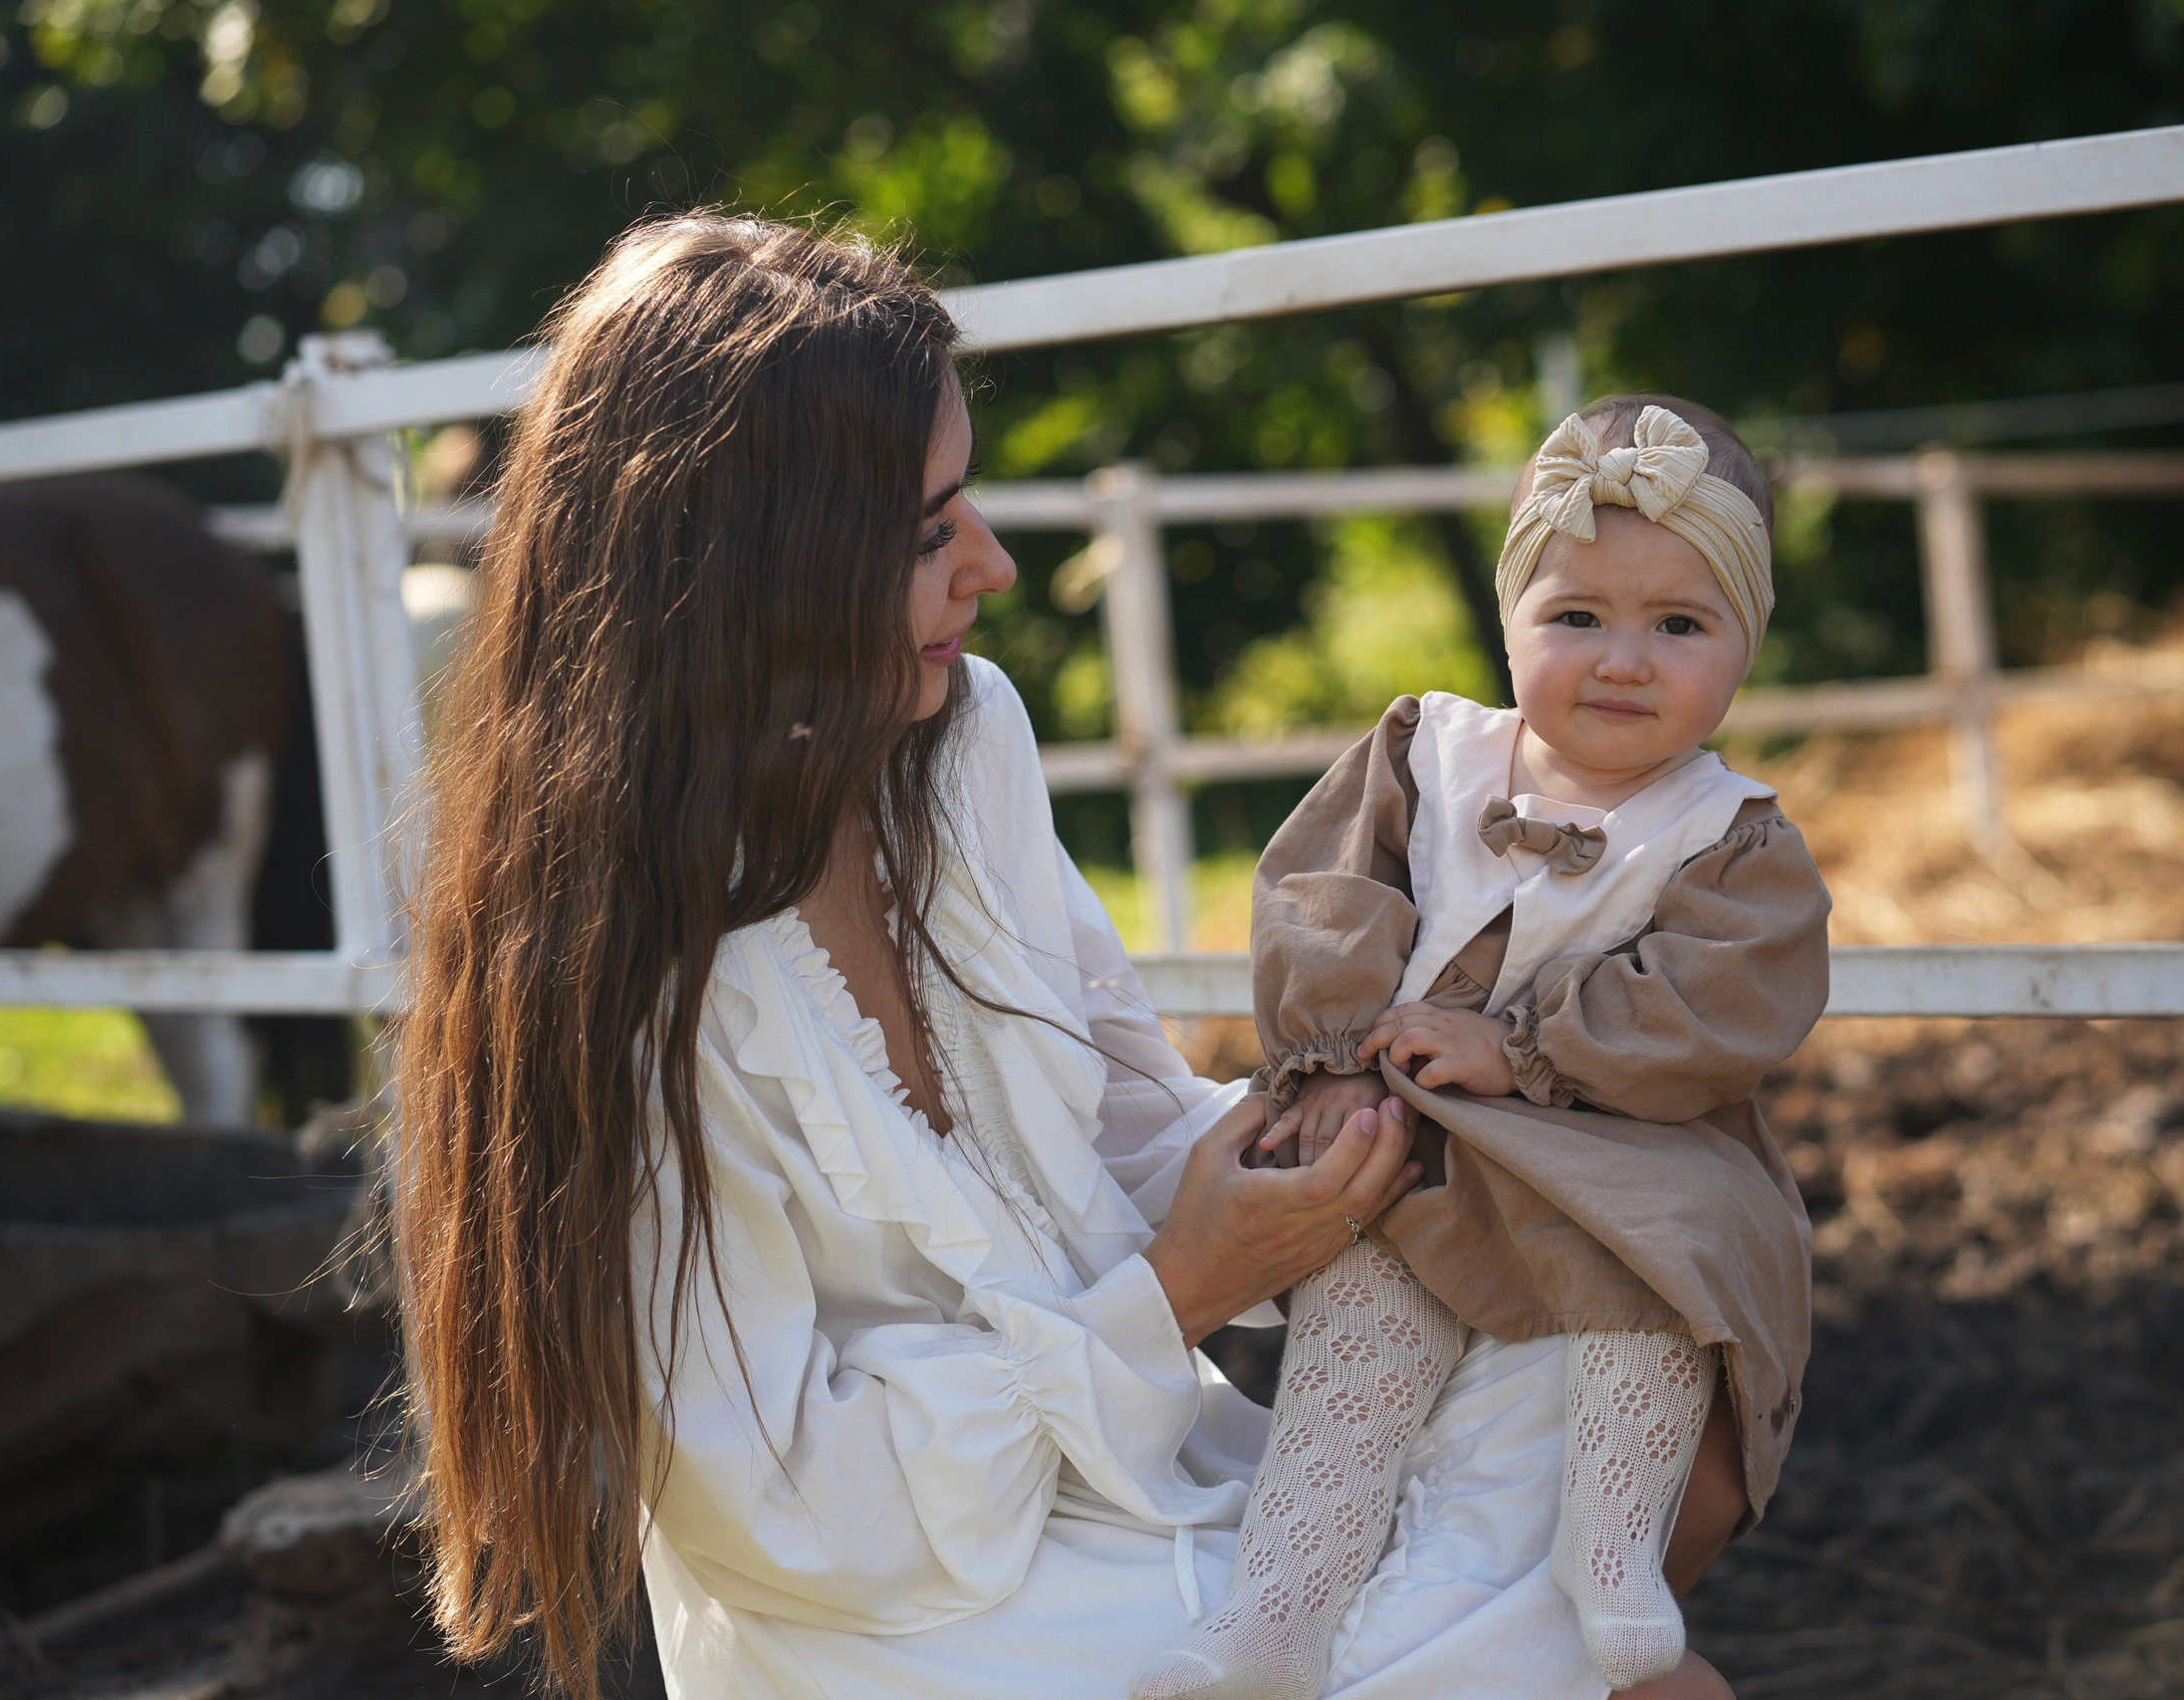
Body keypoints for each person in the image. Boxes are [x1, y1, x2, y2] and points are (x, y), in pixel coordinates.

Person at [392, 216, 1738, 1700]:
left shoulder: (964, 744)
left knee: (1622, 1395)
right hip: (909, 1629)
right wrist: (1176, 1290)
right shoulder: (626, 978)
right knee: (1576, 1664)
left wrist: (1374, 1146)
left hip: (1156, 1481)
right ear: (753, 576)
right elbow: (790, 1516)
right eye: (925, 533)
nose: (996, 566)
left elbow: (1125, 1115)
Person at [1135, 399, 1830, 1700]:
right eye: (1576, 617)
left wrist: (1528, 1046)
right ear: (1511, 616)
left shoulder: (1729, 833)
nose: (1622, 659)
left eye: (1677, 626)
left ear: (1743, 647)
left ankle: (1611, 1553)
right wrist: (1337, 1054)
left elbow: (1725, 999)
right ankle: (1277, 1610)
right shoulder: (1428, 753)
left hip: (1616, 1149)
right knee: (1357, 1323)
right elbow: (1326, 889)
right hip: (1419, 1144)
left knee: (1665, 1287)